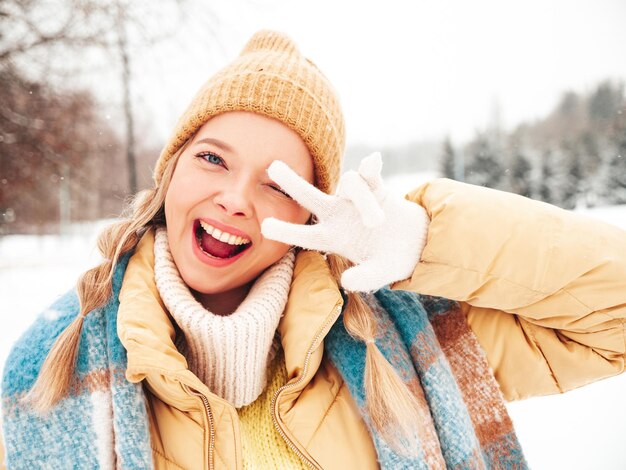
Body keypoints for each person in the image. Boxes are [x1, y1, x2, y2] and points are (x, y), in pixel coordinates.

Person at [1, 29, 625, 470]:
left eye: (277, 182)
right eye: (212, 158)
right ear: (170, 174)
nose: (236, 198)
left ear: (311, 213)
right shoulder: (48, 370)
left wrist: (427, 241)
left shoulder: (406, 341)